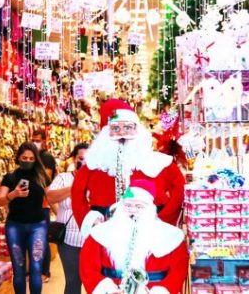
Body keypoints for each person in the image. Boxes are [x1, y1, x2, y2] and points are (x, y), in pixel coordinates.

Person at [71, 99, 185, 235]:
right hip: (107, 232)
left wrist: (163, 220)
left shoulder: (160, 163)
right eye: (115, 129)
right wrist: (91, 220)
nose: (122, 134)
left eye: (128, 128)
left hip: (151, 233)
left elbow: (180, 190)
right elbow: (77, 196)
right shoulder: (94, 165)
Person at [79, 179, 188, 294]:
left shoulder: (171, 236)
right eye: (128, 205)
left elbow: (178, 271)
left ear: (150, 209)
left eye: (139, 207)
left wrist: (160, 291)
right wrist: (107, 289)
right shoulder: (100, 233)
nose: (133, 210)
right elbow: (87, 267)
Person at [0, 143, 51, 294]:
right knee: (18, 268)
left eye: (31, 158)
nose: (27, 161)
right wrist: (14, 194)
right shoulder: (10, 177)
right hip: (15, 226)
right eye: (24, 157)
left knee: (36, 268)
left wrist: (61, 217)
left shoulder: (42, 177)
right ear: (18, 157)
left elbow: (51, 198)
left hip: (38, 226)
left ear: (36, 159)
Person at [46, 143, 89, 294]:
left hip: (92, 240)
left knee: (93, 283)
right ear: (74, 159)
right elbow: (50, 197)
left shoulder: (97, 180)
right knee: (73, 281)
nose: (83, 162)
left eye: (88, 159)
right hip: (68, 240)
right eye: (80, 158)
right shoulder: (63, 178)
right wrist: (74, 188)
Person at [31, 128, 57, 282]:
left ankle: (45, 272)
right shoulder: (32, 156)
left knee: (43, 238)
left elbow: (45, 178)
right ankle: (35, 270)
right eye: (33, 140)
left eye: (38, 140)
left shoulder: (46, 157)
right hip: (33, 203)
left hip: (43, 202)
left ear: (44, 141)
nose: (35, 143)